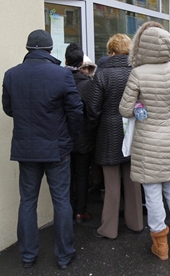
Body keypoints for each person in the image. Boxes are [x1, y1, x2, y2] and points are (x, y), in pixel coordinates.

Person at [2, 29, 82, 270]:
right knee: (61, 202)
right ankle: (64, 255)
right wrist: (71, 138)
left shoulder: (11, 75)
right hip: (57, 148)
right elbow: (76, 111)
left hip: (26, 148)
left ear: (28, 49)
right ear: (50, 49)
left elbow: (9, 109)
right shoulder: (61, 75)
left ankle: (27, 256)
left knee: (27, 201)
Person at [119, 22, 170, 261]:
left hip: (147, 142)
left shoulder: (138, 73)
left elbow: (124, 109)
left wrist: (140, 106)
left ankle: (161, 245)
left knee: (152, 192)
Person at [86, 34, 144, 240]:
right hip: (133, 129)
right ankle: (136, 222)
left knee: (111, 183)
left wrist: (96, 126)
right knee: (133, 179)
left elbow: (92, 108)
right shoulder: (137, 72)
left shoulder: (102, 75)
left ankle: (108, 228)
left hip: (108, 131)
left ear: (111, 51)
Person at [64, 44, 95, 224]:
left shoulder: (60, 80)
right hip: (83, 137)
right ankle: (80, 212)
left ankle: (67, 211)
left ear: (66, 61)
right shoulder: (87, 84)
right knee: (82, 175)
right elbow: (92, 112)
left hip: (64, 136)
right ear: (82, 62)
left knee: (66, 176)